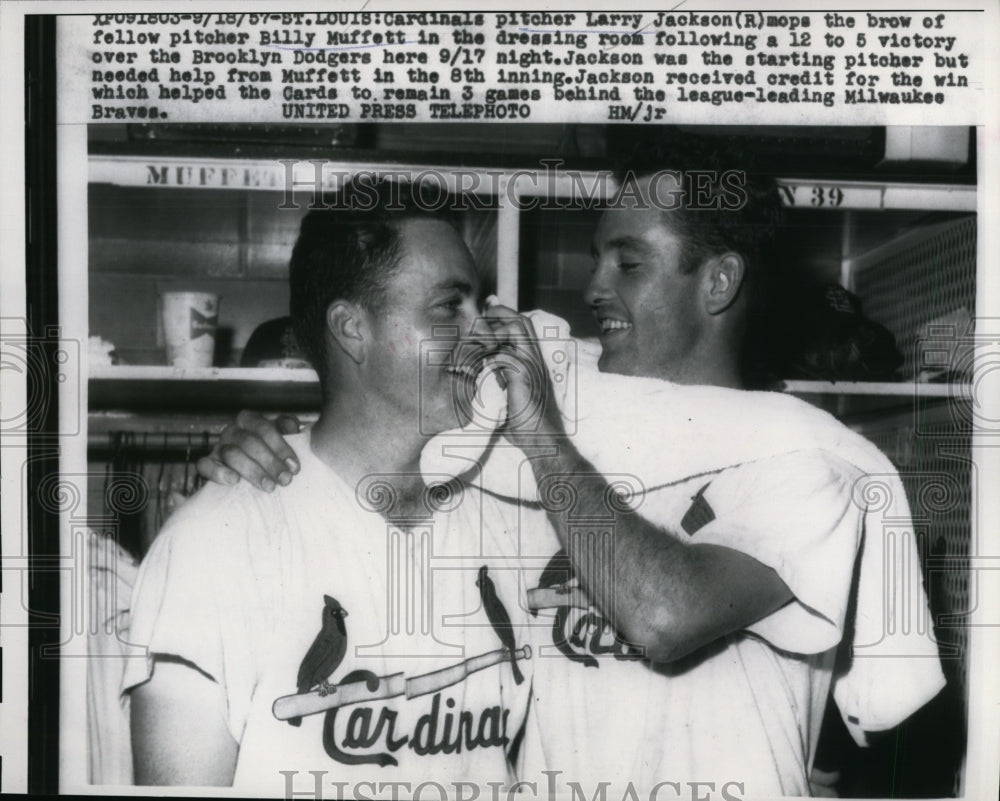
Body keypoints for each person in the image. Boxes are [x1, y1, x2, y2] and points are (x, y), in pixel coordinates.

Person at [199, 144, 945, 796]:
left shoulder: (808, 465)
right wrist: (275, 448)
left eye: (629, 262)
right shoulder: (571, 409)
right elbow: (383, 424)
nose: (593, 288)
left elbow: (663, 617)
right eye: (595, 258)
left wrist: (541, 433)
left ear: (718, 282)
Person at [124, 179, 541, 793]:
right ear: (351, 328)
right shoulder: (213, 542)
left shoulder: (516, 517)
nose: (486, 332)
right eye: (449, 306)